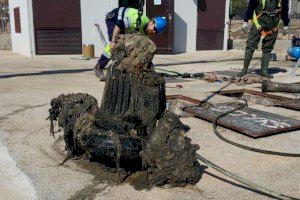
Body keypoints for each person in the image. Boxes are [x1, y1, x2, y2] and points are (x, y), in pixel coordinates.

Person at [94, 7, 167, 81]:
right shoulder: (139, 20)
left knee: (126, 44)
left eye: (157, 32)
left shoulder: (147, 33)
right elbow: (119, 24)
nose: (154, 32)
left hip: (123, 25)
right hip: (114, 17)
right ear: (151, 22)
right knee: (115, 44)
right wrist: (113, 41)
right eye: (155, 29)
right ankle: (99, 66)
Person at [238, 0, 289, 78]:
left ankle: (264, 71)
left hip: (273, 26)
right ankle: (244, 69)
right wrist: (245, 21)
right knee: (250, 46)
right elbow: (251, 7)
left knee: (267, 49)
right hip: (258, 24)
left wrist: (286, 25)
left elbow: (285, 9)